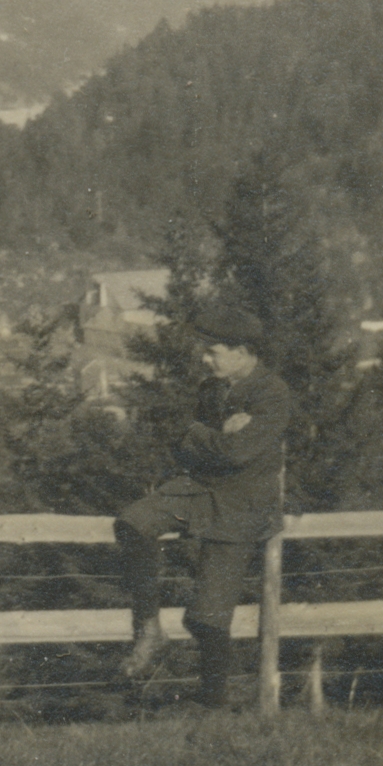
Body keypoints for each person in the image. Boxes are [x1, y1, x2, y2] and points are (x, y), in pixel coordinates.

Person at [115, 303, 291, 706]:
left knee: (206, 619)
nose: (205, 358)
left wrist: (201, 436)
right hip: (198, 490)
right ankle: (149, 628)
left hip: (241, 506)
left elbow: (237, 453)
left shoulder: (272, 393)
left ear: (243, 352)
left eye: (213, 352)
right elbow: (185, 447)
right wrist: (207, 436)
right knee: (133, 523)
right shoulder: (210, 389)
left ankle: (213, 702)